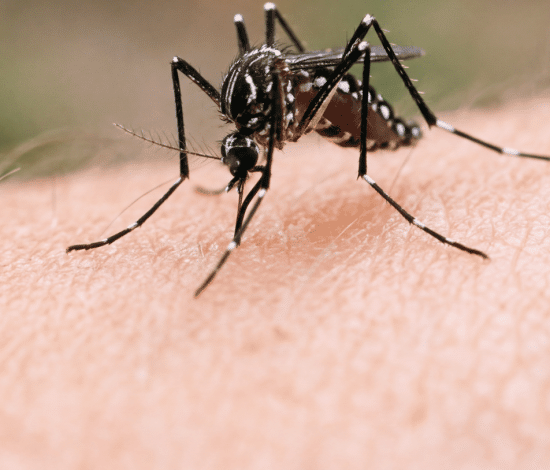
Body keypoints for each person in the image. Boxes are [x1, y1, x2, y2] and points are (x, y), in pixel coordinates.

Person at [2, 99, 550, 468]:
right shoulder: (249, 117)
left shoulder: (271, 112)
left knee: (355, 37)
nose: (243, 171)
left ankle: (449, 151)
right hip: (291, 97)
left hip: (343, 106)